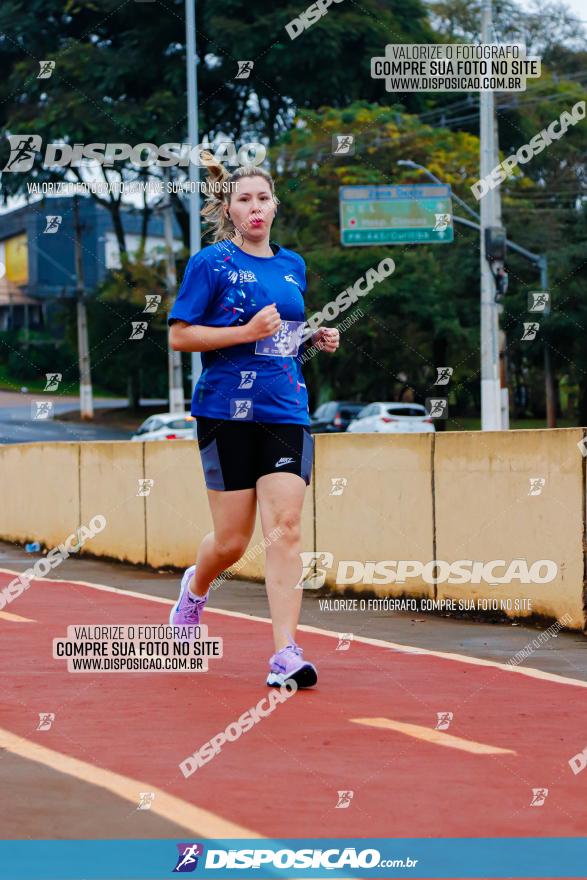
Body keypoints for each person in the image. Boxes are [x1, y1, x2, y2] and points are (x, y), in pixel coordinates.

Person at [167, 152, 340, 688]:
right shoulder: (210, 264)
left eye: (263, 198)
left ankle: (285, 652)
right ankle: (194, 592)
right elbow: (179, 335)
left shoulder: (293, 265)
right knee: (232, 542)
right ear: (231, 207)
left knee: (284, 530)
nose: (256, 207)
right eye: (244, 199)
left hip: (285, 409)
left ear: (275, 205)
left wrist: (312, 338)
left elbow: (280, 334)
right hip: (224, 412)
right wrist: (243, 333)